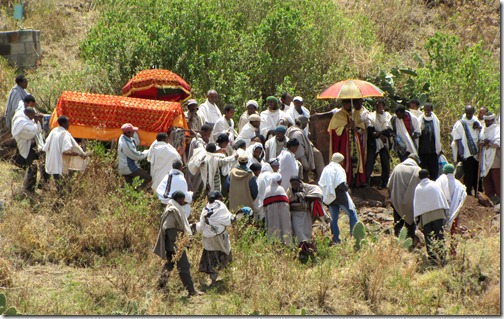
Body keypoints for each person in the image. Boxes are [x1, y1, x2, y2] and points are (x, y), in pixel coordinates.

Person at [153, 191, 202, 296]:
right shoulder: (172, 210)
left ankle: (160, 287)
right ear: (179, 199)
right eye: (183, 199)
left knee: (169, 265)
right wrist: (178, 244)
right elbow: (170, 228)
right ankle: (191, 291)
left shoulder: (174, 207)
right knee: (184, 267)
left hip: (173, 244)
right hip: (175, 244)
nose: (184, 201)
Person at [196, 191, 235, 285]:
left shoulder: (206, 208)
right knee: (224, 254)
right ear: (220, 198)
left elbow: (201, 225)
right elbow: (228, 220)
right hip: (220, 237)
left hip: (209, 238)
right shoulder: (221, 206)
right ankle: (228, 276)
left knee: (211, 257)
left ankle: (213, 280)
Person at [318, 152, 358, 244]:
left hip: (330, 197)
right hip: (340, 196)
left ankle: (335, 239)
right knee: (352, 214)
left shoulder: (326, 168)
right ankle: (354, 237)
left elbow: (321, 183)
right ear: (340, 161)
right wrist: (348, 189)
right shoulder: (339, 169)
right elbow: (341, 184)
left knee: (333, 219)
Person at [327, 99, 366, 187]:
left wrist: (356, 128)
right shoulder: (338, 115)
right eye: (346, 103)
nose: (348, 105)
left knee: (356, 161)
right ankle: (345, 181)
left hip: (355, 143)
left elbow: (362, 127)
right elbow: (334, 130)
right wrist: (347, 127)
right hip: (344, 144)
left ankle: (356, 181)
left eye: (349, 103)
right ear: (343, 104)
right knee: (345, 161)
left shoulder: (355, 114)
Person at [414, 169, 449, 263]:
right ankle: (442, 256)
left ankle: (432, 258)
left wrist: (417, 219)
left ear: (419, 177)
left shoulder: (418, 188)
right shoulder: (434, 185)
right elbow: (442, 197)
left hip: (426, 215)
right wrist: (446, 211)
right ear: (428, 175)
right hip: (438, 212)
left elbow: (417, 204)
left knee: (428, 236)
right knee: (439, 234)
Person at [387, 153, 422, 242]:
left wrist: (392, 198)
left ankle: (396, 245)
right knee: (410, 227)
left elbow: (389, 185)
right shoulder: (417, 170)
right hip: (411, 204)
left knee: (398, 225)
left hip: (397, 201)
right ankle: (409, 245)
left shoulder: (397, 168)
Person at [436, 163, 467, 256]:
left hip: (441, 211)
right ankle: (453, 251)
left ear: (444, 171)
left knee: (439, 231)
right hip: (455, 212)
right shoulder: (459, 184)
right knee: (454, 232)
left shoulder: (439, 181)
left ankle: (440, 251)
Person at [450, 105, 482, 196]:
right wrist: (461, 153)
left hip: (476, 152)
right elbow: (457, 138)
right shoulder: (460, 123)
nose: (468, 115)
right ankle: (468, 194)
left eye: (470, 113)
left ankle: (477, 192)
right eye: (467, 113)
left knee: (476, 173)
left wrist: (479, 128)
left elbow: (480, 134)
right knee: (468, 174)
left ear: (473, 113)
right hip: (466, 153)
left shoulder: (476, 122)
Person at [286, 176, 318, 263]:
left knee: (307, 232)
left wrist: (304, 196)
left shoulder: (306, 189)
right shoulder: (289, 191)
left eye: (296, 183)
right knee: (299, 233)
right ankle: (302, 254)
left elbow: (315, 194)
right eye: (292, 184)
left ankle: (310, 253)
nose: (294, 185)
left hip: (305, 214)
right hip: (295, 214)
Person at [11, 107, 44, 192]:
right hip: (27, 148)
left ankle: (40, 186)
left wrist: (38, 121)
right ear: (28, 114)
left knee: (41, 165)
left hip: (34, 146)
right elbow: (32, 133)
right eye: (33, 115)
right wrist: (36, 122)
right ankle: (29, 188)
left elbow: (39, 130)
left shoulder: (30, 121)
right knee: (32, 167)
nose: (34, 116)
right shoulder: (21, 123)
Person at [364, 98, 392, 188]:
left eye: (380, 106)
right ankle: (365, 181)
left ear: (383, 106)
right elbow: (370, 130)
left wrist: (379, 134)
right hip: (374, 142)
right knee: (370, 161)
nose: (378, 107)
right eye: (377, 106)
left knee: (385, 163)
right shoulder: (371, 116)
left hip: (384, 143)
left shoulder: (388, 116)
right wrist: (380, 135)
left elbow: (389, 129)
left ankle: (384, 183)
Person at [117, 123, 151, 189]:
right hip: (129, 167)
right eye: (133, 131)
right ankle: (138, 191)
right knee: (148, 178)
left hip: (124, 167)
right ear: (128, 133)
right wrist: (148, 151)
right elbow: (137, 156)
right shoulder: (125, 144)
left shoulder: (124, 138)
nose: (134, 132)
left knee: (129, 185)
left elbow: (135, 142)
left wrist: (134, 133)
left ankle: (123, 193)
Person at [263, 173, 293, 247]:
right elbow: (286, 202)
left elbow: (264, 205)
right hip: (282, 212)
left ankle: (274, 244)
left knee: (273, 227)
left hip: (271, 213)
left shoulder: (267, 190)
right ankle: (287, 244)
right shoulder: (280, 189)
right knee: (284, 226)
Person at [285, 117, 315, 182]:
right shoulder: (297, 134)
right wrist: (305, 166)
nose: (306, 125)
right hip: (300, 161)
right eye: (305, 124)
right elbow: (299, 153)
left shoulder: (292, 130)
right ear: (302, 124)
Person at [479, 113, 500, 204]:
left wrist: (489, 142)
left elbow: (498, 143)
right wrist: (482, 143)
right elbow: (480, 139)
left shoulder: (498, 129)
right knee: (486, 177)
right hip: (485, 156)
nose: (488, 122)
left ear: (493, 120)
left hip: (495, 157)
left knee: (496, 178)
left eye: (489, 120)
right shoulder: (483, 129)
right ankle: (489, 197)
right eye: (486, 120)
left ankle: (499, 198)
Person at [417, 103, 442, 180]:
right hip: (423, 151)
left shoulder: (435, 120)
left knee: (433, 171)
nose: (426, 111)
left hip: (432, 151)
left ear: (431, 110)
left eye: (428, 109)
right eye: (425, 109)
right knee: (424, 170)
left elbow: (437, 135)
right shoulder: (420, 120)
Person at [187, 124, 213, 192]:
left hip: (199, 167)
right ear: (203, 132)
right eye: (208, 134)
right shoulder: (196, 140)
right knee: (192, 185)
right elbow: (202, 151)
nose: (209, 136)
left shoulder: (202, 140)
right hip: (194, 166)